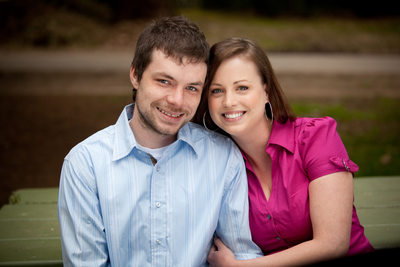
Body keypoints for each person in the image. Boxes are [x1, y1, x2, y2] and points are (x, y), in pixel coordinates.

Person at [58, 18, 262, 266]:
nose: (177, 100)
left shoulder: (222, 157)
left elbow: (240, 254)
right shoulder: (85, 164)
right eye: (164, 81)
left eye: (192, 88)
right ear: (136, 75)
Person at [194, 37, 374, 266]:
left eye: (242, 88)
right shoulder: (220, 164)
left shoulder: (315, 137)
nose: (229, 101)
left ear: (266, 91)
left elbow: (333, 244)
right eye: (217, 91)